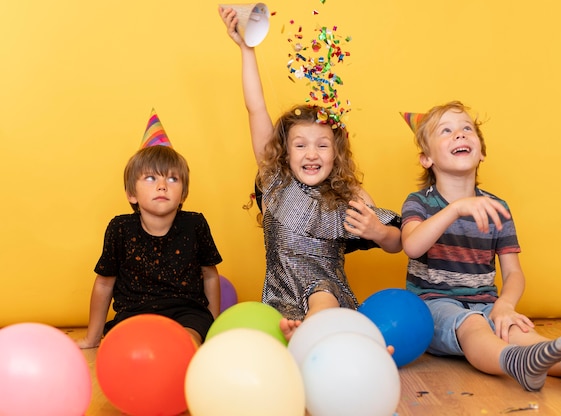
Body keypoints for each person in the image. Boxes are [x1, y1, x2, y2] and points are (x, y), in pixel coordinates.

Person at [219, 6, 403, 341]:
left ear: (337, 153)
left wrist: (377, 231)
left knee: (322, 293)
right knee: (266, 334)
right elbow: (255, 106)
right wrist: (247, 49)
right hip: (278, 296)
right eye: (300, 145)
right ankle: (326, 339)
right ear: (284, 153)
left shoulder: (345, 201)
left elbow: (398, 241)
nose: (312, 153)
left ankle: (320, 334)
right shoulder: (275, 184)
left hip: (327, 295)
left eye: (322, 145)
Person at [400, 100, 561, 391]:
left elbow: (514, 273)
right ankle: (513, 362)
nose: (460, 134)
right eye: (446, 131)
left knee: (513, 327)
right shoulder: (420, 203)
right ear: (426, 158)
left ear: (482, 153)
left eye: (467, 129)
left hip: (486, 302)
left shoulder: (497, 208)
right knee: (472, 325)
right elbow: (413, 246)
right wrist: (454, 209)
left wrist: (504, 305)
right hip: (434, 307)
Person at [76, 144, 222, 348]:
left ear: (183, 195)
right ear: (131, 194)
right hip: (135, 314)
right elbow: (104, 283)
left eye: (172, 179)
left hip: (187, 312)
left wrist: (212, 326)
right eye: (151, 178)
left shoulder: (194, 225)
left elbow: (210, 274)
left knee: (187, 342)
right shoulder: (120, 228)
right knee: (130, 346)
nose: (162, 185)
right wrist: (92, 338)